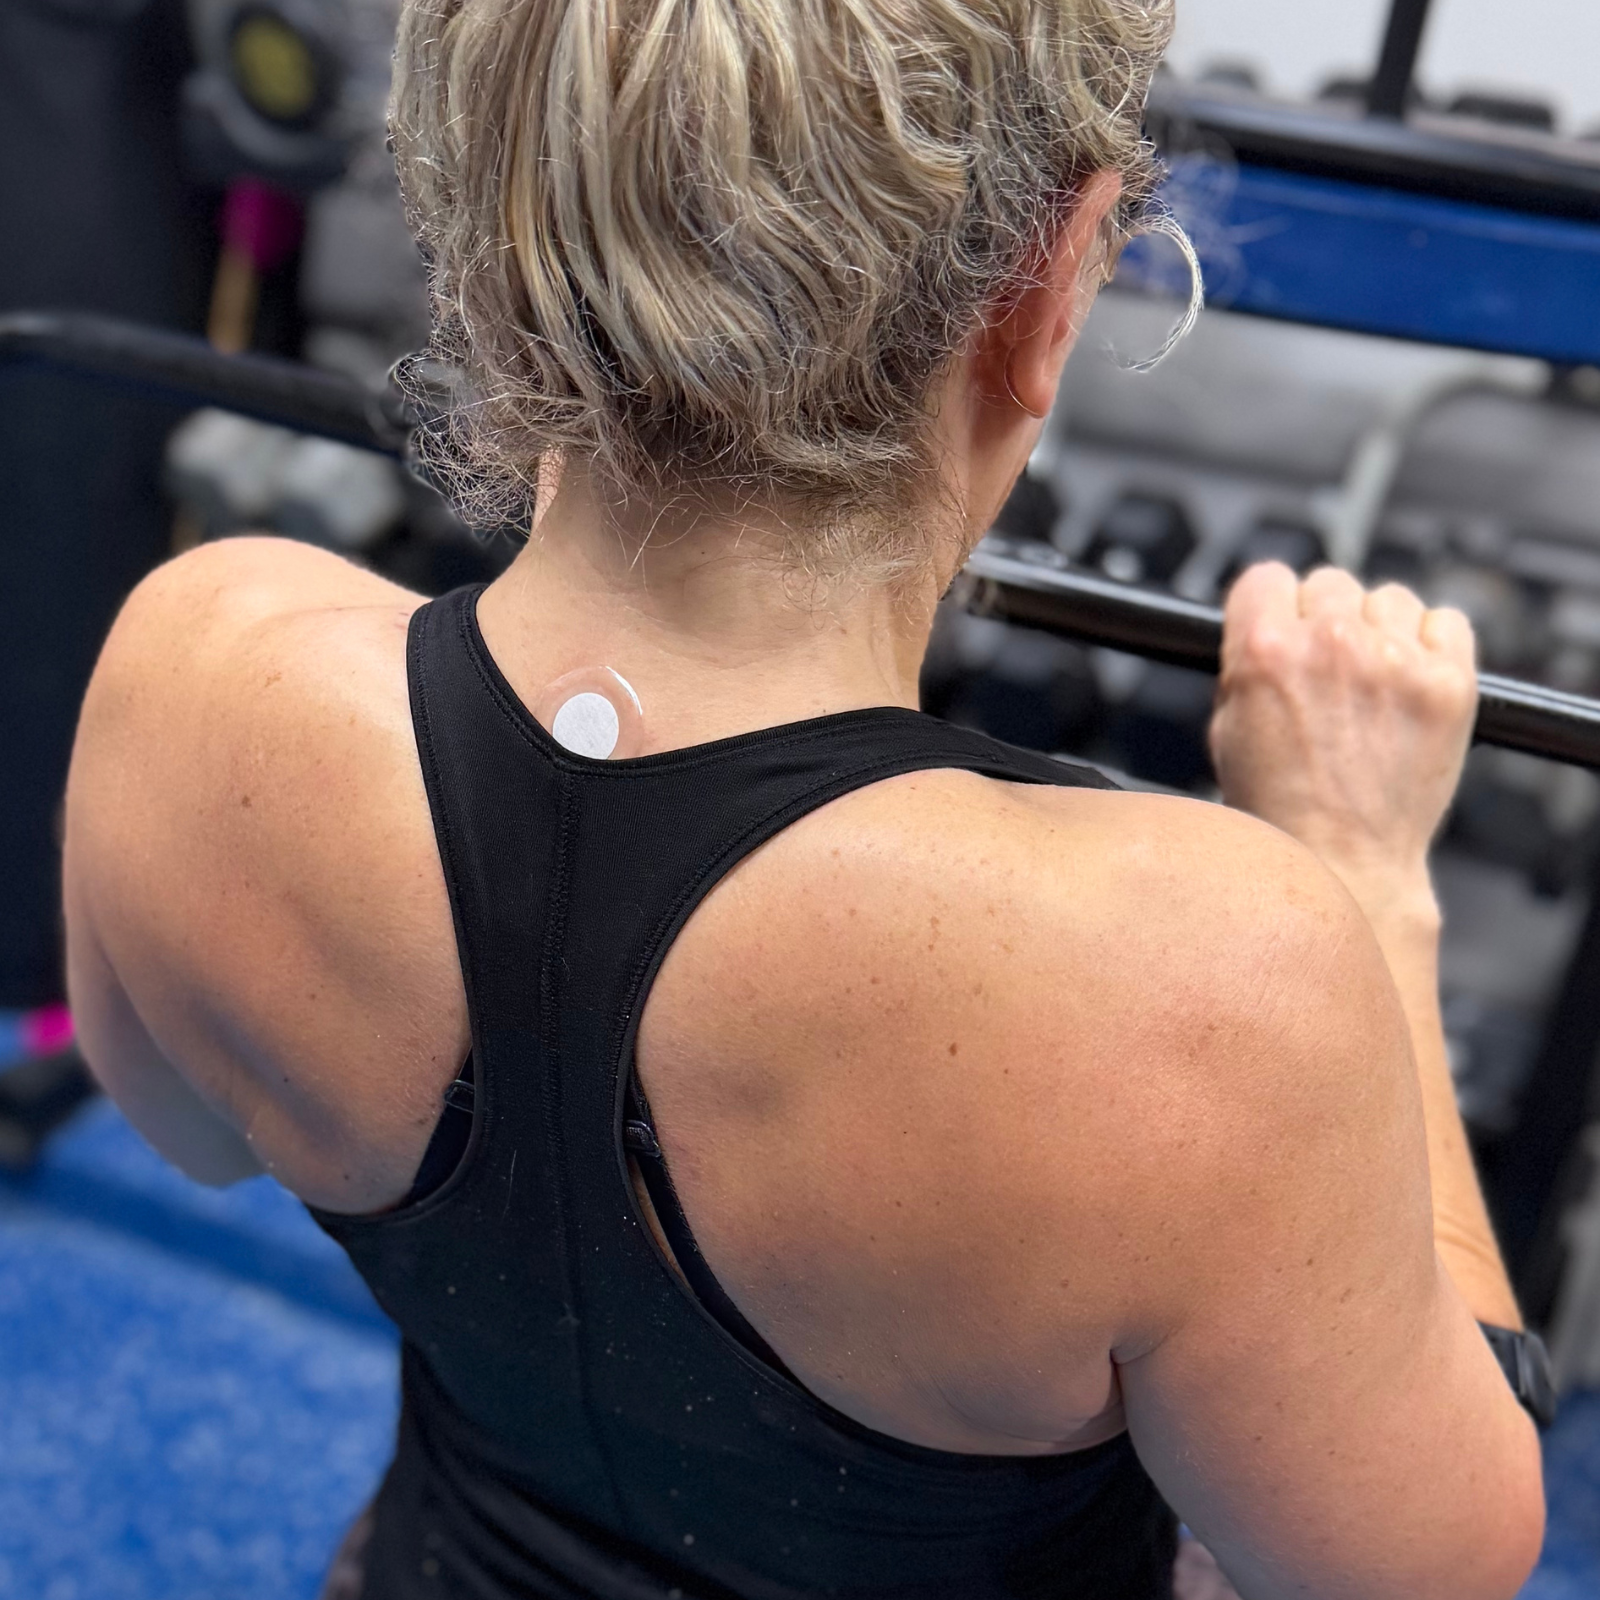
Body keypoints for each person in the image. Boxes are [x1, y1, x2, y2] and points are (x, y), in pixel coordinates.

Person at [61, 0, 1546, 1595]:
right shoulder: (1214, 993)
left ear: (484, 221)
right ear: (1050, 287)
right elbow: (1421, 1576)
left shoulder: (196, 662)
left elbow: (195, 1137)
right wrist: (1369, 874)